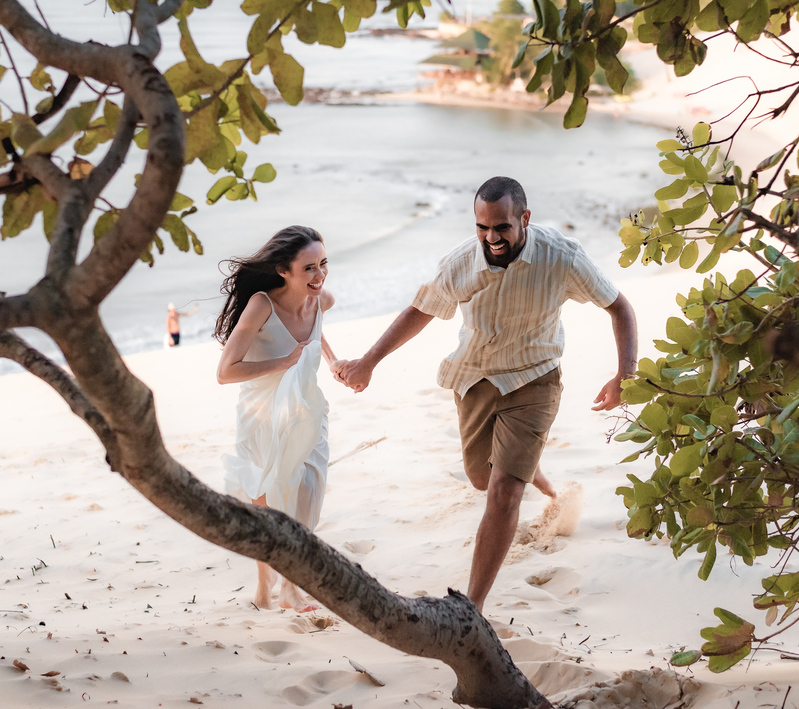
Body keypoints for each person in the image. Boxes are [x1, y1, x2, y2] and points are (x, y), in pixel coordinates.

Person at [336, 177, 637, 611]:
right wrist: (368, 362)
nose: (491, 238)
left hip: (535, 377)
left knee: (503, 494)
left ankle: (471, 609)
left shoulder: (563, 258)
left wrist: (624, 373)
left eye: (501, 228)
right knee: (483, 478)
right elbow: (419, 311)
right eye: (482, 227)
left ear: (524, 219)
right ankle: (532, 470)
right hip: (476, 377)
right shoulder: (461, 262)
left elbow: (619, 307)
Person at [214, 226, 343, 612]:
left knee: (307, 489)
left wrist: (335, 363)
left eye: (323, 264)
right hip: (260, 413)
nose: (319, 276)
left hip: (305, 409)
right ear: (283, 270)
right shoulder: (260, 306)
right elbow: (225, 371)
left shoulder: (323, 301)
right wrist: (284, 363)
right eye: (309, 268)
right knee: (265, 501)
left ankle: (290, 585)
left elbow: (314, 335)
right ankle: (264, 582)